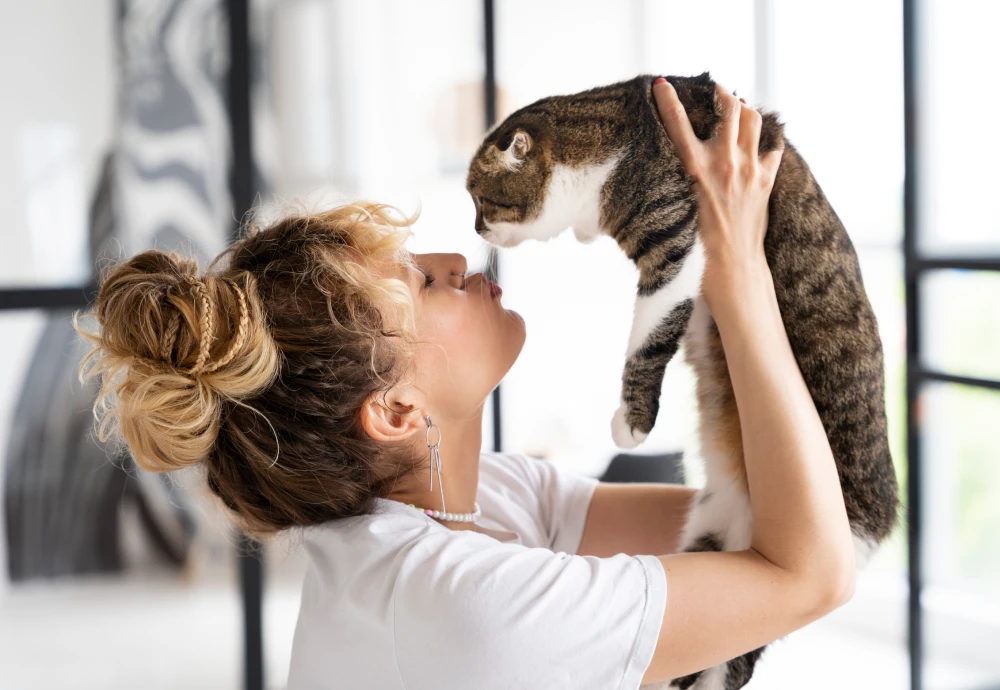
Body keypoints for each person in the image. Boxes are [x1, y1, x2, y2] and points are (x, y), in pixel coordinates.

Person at [76, 78, 856, 689]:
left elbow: (776, 531)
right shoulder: (462, 606)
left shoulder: (485, 502)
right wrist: (735, 269)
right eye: (417, 285)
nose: (453, 261)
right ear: (393, 410)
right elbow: (811, 572)